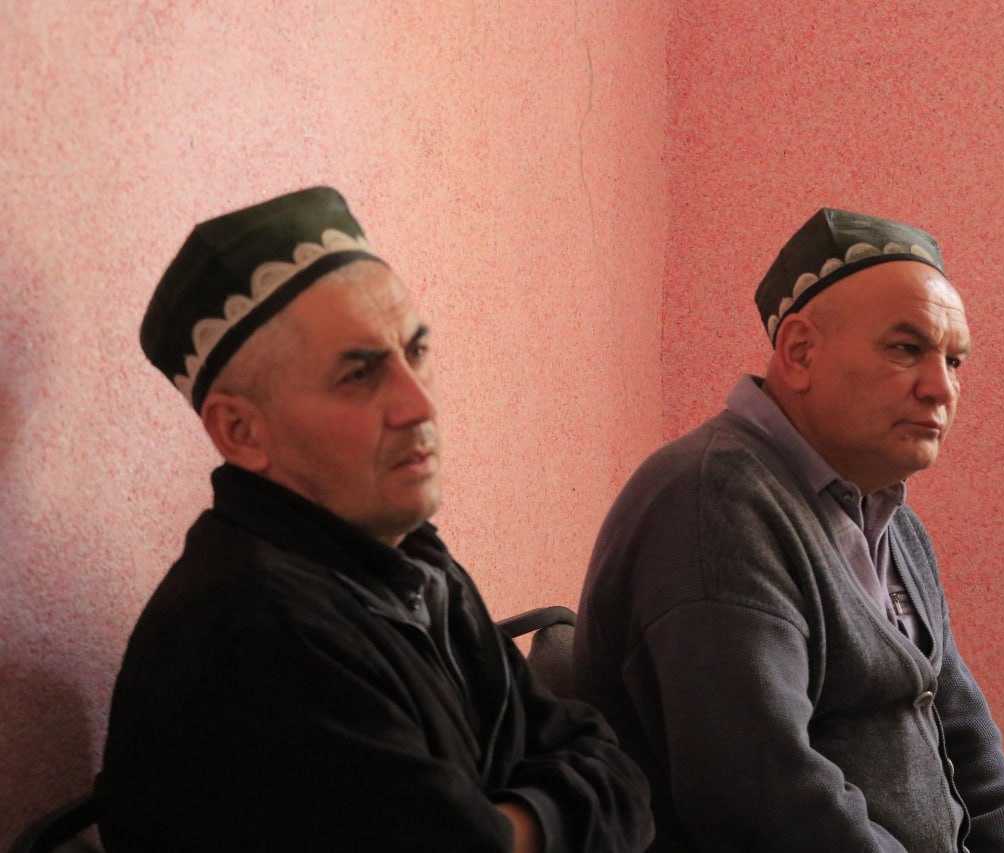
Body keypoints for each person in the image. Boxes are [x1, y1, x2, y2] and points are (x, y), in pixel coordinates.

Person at [97, 187, 653, 853]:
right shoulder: (257, 630)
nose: (418, 405)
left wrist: (515, 827)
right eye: (358, 375)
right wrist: (546, 812)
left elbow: (620, 777)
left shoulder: (412, 560)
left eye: (415, 352)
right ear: (241, 430)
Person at [574, 208, 1004, 852]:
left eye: (955, 360)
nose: (941, 388)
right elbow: (767, 802)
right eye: (906, 348)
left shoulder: (892, 520)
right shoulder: (714, 505)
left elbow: (966, 738)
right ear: (800, 353)